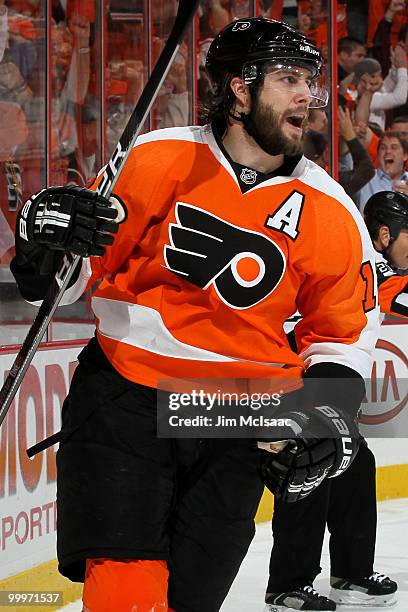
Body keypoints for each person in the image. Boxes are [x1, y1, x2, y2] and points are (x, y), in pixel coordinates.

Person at [10, 18, 380, 612]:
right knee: (126, 590)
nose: (309, 94)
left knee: (189, 599)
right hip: (125, 396)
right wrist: (46, 248)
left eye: (310, 79)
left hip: (237, 415)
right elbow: (73, 274)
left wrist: (325, 414)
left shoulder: (332, 210)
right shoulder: (157, 158)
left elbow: (342, 333)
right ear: (240, 88)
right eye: (289, 79)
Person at [265, 189, 407, 612]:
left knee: (354, 463)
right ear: (384, 234)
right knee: (311, 463)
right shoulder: (374, 267)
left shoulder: (360, 258)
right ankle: (288, 584)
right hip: (313, 371)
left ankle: (352, 570)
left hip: (320, 369)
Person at [357, 131, 408, 212]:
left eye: (394, 147)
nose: (388, 151)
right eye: (383, 148)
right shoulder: (366, 178)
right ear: (378, 154)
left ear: (405, 155)